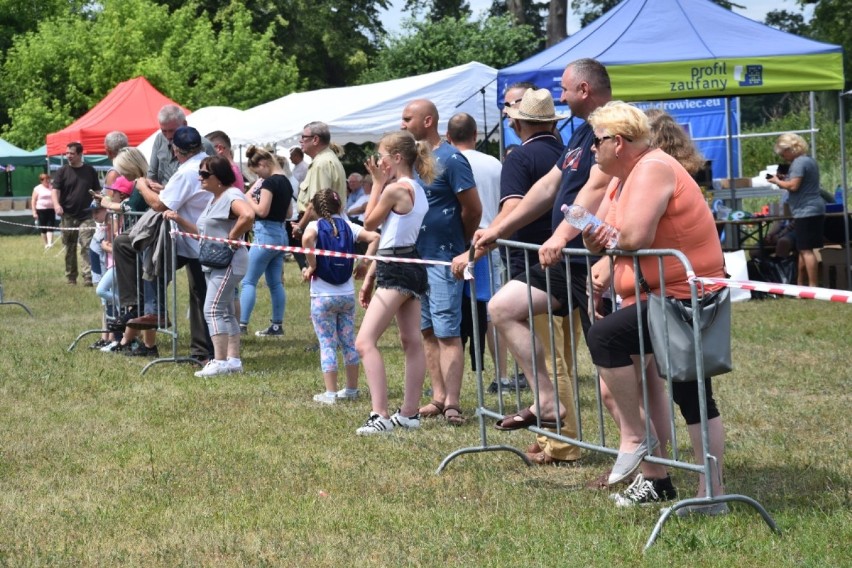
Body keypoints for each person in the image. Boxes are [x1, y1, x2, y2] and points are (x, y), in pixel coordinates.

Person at [582, 102, 726, 510]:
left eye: (597, 142)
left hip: (682, 298)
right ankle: (661, 478)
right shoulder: (624, 176)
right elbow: (609, 235)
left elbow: (632, 237)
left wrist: (604, 237)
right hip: (654, 296)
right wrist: (596, 240)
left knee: (685, 390)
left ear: (619, 142)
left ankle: (700, 484)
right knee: (646, 386)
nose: (593, 150)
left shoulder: (652, 168)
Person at [474, 59, 613, 443]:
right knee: (501, 308)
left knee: (614, 377)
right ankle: (547, 402)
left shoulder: (612, 129)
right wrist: (494, 232)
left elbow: (596, 191)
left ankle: (647, 464)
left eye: (566, 91)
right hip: (566, 260)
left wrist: (562, 234)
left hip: (598, 262)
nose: (562, 97)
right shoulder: (581, 135)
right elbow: (550, 187)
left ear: (584, 90)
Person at [401, 99, 482, 426]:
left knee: (449, 331)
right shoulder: (411, 161)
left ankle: (452, 401)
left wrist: (459, 246)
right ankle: (437, 396)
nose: (403, 123)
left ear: (428, 120)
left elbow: (473, 209)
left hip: (444, 259)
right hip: (417, 259)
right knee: (428, 331)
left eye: (408, 118)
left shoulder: (451, 158)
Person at [354, 130, 435, 435]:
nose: (378, 162)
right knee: (411, 340)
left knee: (364, 341)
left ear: (396, 158)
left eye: (382, 156)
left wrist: (376, 183)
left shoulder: (395, 189)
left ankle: (380, 414)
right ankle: (409, 413)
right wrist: (370, 276)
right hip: (409, 262)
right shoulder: (418, 187)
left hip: (397, 265)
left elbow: (370, 224)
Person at [113, 126, 215, 363]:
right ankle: (202, 351)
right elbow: (178, 195)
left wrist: (142, 187)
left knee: (127, 245)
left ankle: (143, 307)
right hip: (197, 239)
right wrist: (164, 189)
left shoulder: (186, 171)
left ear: (176, 150)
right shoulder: (203, 164)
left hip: (192, 241)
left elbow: (160, 206)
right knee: (198, 294)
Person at [165, 155, 254, 377]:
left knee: (212, 309)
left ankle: (220, 361)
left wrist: (233, 238)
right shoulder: (215, 198)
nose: (200, 178)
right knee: (224, 310)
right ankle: (233, 360)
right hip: (215, 261)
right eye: (200, 173)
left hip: (228, 262)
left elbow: (249, 215)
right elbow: (203, 234)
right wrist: (178, 219)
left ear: (220, 177)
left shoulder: (232, 195)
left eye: (205, 174)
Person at [445, 112, 506, 395]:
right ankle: (502, 375)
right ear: (476, 136)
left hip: (458, 244)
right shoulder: (494, 163)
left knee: (450, 311)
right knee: (492, 311)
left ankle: (447, 378)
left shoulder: (445, 162)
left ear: (448, 137)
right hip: (490, 241)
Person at [302, 188, 379, 404]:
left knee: (327, 343)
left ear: (316, 209)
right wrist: (364, 262)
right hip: (346, 296)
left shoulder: (314, 226)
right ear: (341, 207)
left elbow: (307, 239)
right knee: (348, 342)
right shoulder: (350, 226)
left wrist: (312, 265)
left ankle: (330, 393)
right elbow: (375, 237)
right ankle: (352, 389)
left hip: (322, 296)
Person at [239, 145, 294, 337]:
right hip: (281, 235)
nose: (258, 178)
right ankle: (277, 325)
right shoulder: (286, 182)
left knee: (248, 281)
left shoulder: (269, 183)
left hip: (265, 235)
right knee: (275, 283)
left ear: (263, 164)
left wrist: (248, 198)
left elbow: (261, 211)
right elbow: (289, 213)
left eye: (257, 172)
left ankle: (241, 325)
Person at [766, 133, 825, 287]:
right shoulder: (809, 160)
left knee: (806, 250)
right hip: (808, 210)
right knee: (802, 249)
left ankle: (813, 287)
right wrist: (785, 179)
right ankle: (800, 284)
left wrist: (777, 181)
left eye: (783, 152)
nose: (783, 156)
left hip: (807, 210)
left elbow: (793, 186)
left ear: (791, 149)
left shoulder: (799, 163)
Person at [291, 122, 347, 270]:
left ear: (315, 139)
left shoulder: (321, 164)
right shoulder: (328, 159)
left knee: (321, 280)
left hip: (323, 229)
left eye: (304, 137)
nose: (300, 140)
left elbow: (317, 204)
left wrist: (300, 227)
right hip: (330, 228)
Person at [51, 142, 101, 286]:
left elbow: (97, 191)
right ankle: (71, 277)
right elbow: (55, 190)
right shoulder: (62, 171)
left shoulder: (90, 171)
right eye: (67, 153)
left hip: (86, 215)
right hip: (68, 215)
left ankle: (88, 276)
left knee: (87, 245)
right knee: (70, 246)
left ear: (80, 154)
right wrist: (56, 205)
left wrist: (99, 206)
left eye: (72, 153)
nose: (68, 156)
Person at [147, 105, 215, 187]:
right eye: (164, 131)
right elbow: (151, 175)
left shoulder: (204, 145)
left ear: (184, 124)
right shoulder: (160, 138)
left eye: (172, 130)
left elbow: (213, 181)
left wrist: (165, 191)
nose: (168, 136)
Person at [32, 173, 57, 249]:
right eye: (45, 179)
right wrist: (34, 211)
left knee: (50, 226)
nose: (47, 181)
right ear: (41, 180)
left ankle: (50, 243)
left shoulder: (52, 187)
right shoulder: (37, 188)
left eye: (48, 179)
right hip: (41, 210)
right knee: (43, 227)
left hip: (51, 209)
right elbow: (33, 200)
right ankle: (46, 244)